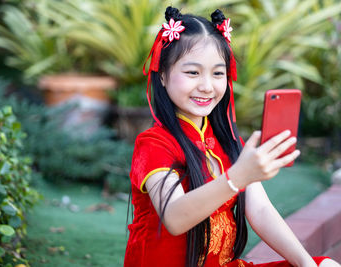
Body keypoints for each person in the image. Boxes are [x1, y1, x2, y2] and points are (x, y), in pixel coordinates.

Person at [124, 6, 340, 267]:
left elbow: (260, 211)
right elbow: (174, 218)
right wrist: (237, 177)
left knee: (325, 265)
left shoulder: (226, 141)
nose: (207, 86)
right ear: (163, 77)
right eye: (193, 72)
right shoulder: (154, 143)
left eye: (218, 73)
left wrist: (307, 264)